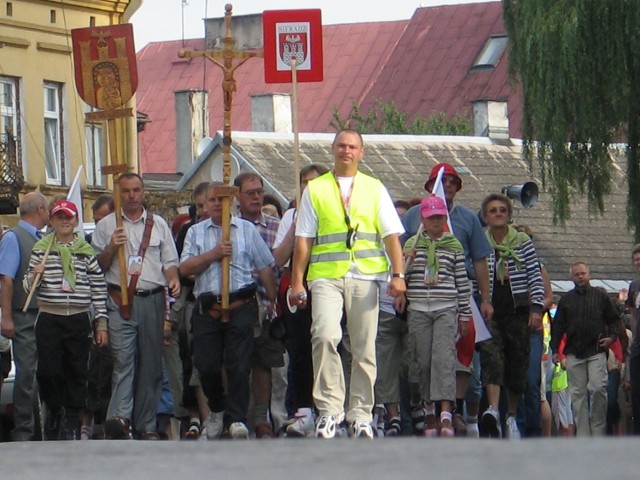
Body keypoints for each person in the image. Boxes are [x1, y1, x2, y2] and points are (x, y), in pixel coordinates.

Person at [289, 129, 406, 439]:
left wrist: (398, 275)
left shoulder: (374, 188)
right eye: (341, 145)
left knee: (364, 346)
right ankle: (329, 410)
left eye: (353, 146)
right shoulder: (315, 189)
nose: (346, 151)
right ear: (333, 149)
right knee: (325, 335)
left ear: (361, 152)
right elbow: (303, 241)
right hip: (326, 275)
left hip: (366, 275)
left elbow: (391, 236)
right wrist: (296, 282)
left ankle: (361, 414)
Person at [402, 162, 493, 437]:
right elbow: (402, 257)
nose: (448, 185)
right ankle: (430, 409)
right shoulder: (414, 216)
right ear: (429, 186)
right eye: (444, 181)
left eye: (453, 181)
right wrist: (400, 289)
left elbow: (478, 259)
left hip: (458, 293)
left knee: (460, 358)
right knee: (423, 357)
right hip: (420, 299)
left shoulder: (466, 218)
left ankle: (453, 411)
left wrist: (485, 298)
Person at [180, 182, 277, 440]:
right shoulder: (195, 232)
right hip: (208, 306)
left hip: (240, 304)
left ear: (231, 202)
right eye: (212, 200)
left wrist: (272, 300)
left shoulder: (246, 230)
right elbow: (185, 268)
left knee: (239, 364)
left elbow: (265, 265)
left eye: (221, 200)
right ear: (205, 203)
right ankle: (217, 408)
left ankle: (236, 419)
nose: (216, 204)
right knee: (206, 364)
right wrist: (213, 254)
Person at [92, 172, 181, 440]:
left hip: (152, 297)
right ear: (119, 194)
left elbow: (170, 261)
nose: (132, 195)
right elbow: (98, 268)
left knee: (151, 365)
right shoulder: (107, 225)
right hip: (119, 300)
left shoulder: (159, 225)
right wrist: (110, 247)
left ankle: (146, 425)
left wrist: (174, 278)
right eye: (126, 191)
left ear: (144, 193)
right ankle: (119, 419)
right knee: (123, 361)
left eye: (136, 190)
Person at [23, 200, 108, 440]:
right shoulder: (41, 248)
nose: (64, 221)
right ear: (52, 220)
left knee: (77, 371)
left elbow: (98, 289)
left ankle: (72, 419)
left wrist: (101, 322)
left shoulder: (86, 251)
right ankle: (54, 408)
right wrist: (34, 275)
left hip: (78, 318)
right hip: (50, 316)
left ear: (76, 221)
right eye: (59, 217)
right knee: (49, 371)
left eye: (68, 217)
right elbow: (28, 285)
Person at [402, 195, 472, 437]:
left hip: (445, 307)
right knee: (422, 359)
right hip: (420, 308)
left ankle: (445, 412)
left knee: (443, 358)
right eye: (431, 217)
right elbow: (402, 276)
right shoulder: (413, 243)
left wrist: (464, 314)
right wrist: (406, 258)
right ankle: (428, 407)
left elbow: (462, 282)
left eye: (439, 217)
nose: (435, 221)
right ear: (423, 218)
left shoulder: (453, 245)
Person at [477, 193, 545, 439]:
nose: (497, 214)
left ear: (509, 214)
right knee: (492, 359)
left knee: (518, 365)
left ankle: (512, 416)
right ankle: (493, 411)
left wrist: (536, 308)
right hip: (490, 311)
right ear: (485, 216)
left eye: (502, 210)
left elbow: (534, 276)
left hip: (518, 311)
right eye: (493, 210)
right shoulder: (480, 241)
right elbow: (474, 271)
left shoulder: (522, 241)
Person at [271, 163, 329, 437]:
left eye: (314, 182)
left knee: (328, 345)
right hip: (299, 285)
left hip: (327, 283)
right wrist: (297, 226)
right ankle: (303, 409)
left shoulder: (333, 213)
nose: (308, 188)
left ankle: (329, 408)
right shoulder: (292, 215)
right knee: (300, 348)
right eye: (304, 183)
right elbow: (278, 259)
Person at [233, 172, 284, 438]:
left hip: (267, 301)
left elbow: (280, 265)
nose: (256, 197)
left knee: (263, 363)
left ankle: (262, 417)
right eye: (250, 193)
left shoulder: (276, 226)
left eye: (259, 192)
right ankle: (235, 416)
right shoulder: (229, 226)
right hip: (237, 303)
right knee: (236, 363)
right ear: (238, 196)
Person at [0, 192, 50, 441]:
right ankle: (24, 430)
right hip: (24, 315)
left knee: (46, 372)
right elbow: (7, 280)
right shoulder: (13, 238)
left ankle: (45, 427)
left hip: (45, 315)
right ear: (40, 210)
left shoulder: (45, 239)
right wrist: (6, 318)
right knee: (26, 373)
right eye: (48, 209)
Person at [551, 262, 620, 436]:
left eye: (583, 273)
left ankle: (598, 431)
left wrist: (611, 338)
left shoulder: (601, 296)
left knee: (598, 388)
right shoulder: (566, 300)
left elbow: (614, 319)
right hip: (574, 352)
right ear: (571, 277)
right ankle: (582, 435)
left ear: (589, 274)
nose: (580, 277)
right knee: (577, 396)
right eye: (577, 274)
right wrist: (554, 350)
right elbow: (557, 326)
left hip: (596, 350)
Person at [82, 194, 114, 439]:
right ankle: (90, 420)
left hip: (118, 306)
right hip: (94, 313)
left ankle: (111, 418)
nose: (99, 226)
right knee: (95, 369)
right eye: (96, 221)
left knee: (115, 367)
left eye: (103, 219)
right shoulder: (90, 244)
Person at [626, 244, 640, 435]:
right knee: (636, 392)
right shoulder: (634, 286)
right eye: (636, 259)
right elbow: (633, 313)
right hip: (638, 346)